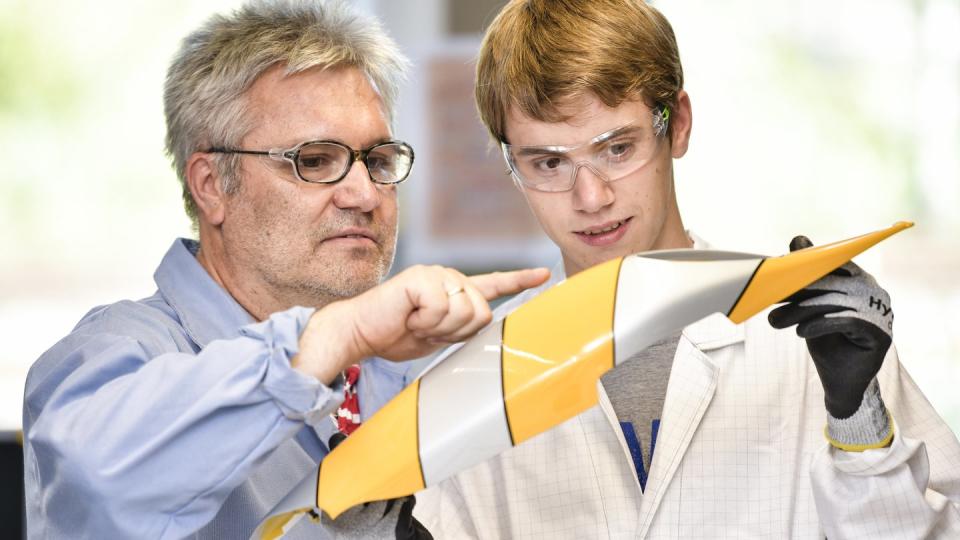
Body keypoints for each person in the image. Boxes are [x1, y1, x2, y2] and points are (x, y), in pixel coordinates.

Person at [413, 0, 960, 537]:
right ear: (513, 165)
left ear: (677, 126)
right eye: (549, 162)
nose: (591, 196)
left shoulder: (812, 340)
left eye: (617, 148)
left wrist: (858, 422)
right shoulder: (476, 380)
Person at [21, 1, 548, 538]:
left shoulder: (413, 364)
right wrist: (336, 337)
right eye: (314, 160)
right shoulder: (120, 354)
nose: (366, 194)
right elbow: (95, 483)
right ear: (211, 185)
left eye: (379, 161)